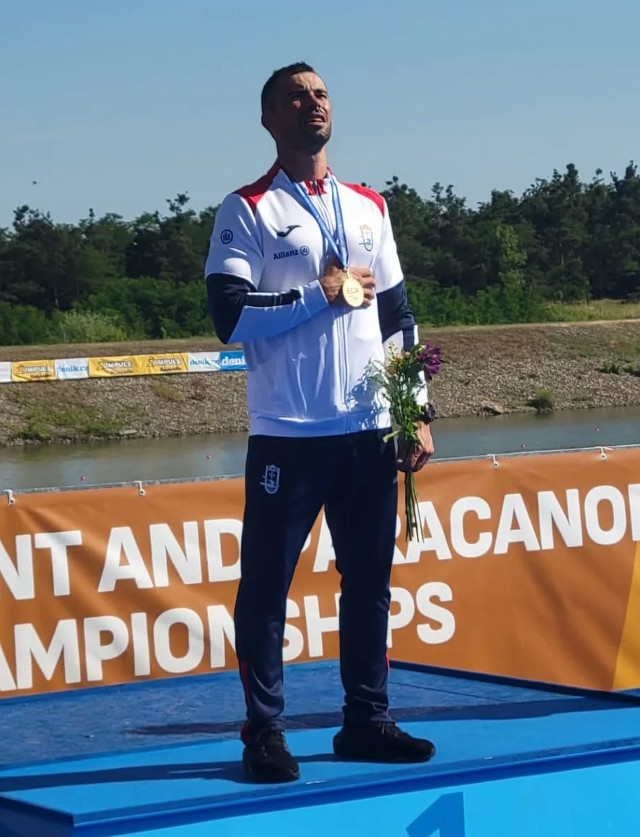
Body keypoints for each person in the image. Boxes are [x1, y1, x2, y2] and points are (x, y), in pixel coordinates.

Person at [205, 61, 436, 784]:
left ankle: (366, 719)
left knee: (368, 582)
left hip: (368, 429)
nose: (313, 104)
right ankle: (265, 732)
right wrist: (319, 293)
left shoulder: (370, 206)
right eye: (295, 97)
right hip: (289, 433)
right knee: (266, 587)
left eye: (321, 93)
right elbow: (229, 317)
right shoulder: (245, 210)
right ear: (269, 120)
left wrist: (416, 411)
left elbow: (397, 316)